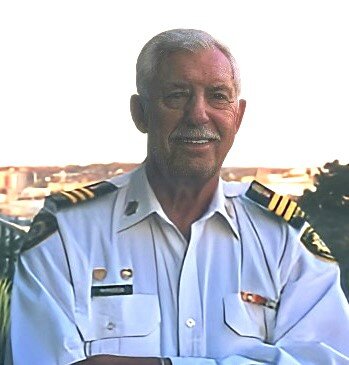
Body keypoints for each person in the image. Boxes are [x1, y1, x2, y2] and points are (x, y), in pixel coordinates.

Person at [6, 29, 349, 365]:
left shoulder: (282, 239)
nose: (198, 114)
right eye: (177, 95)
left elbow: (330, 357)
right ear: (140, 113)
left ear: (238, 115)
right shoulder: (68, 234)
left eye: (218, 95)